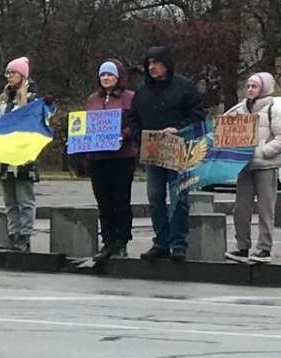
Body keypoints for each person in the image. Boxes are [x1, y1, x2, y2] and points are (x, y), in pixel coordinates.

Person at [127, 45, 205, 263]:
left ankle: (178, 243)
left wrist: (178, 129)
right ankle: (161, 241)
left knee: (179, 198)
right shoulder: (142, 91)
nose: (152, 67)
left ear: (166, 64)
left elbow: (197, 115)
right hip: (153, 151)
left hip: (178, 149)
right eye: (149, 63)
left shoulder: (184, 87)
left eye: (156, 63)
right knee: (155, 198)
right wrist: (140, 136)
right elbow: (133, 117)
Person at [226, 72, 281, 264]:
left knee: (265, 209)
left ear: (264, 88)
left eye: (254, 86)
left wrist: (262, 152)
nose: (250, 90)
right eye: (248, 86)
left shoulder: (274, 111)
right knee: (241, 209)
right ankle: (242, 246)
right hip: (245, 168)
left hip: (266, 167)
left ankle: (264, 248)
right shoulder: (239, 110)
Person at [85, 59, 137, 262]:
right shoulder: (92, 99)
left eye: (110, 74)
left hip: (122, 157)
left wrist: (123, 135)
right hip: (98, 158)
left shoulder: (130, 98)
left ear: (118, 77)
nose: (106, 78)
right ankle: (107, 242)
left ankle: (121, 242)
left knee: (121, 201)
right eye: (103, 75)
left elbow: (135, 122)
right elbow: (85, 125)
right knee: (103, 202)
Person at [0, 56, 40, 252]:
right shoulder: (4, 99)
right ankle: (13, 234)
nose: (9, 76)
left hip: (23, 157)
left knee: (24, 199)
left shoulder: (32, 100)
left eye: (13, 73)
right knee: (9, 200)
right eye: (8, 73)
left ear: (22, 75)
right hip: (4, 155)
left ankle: (25, 236)